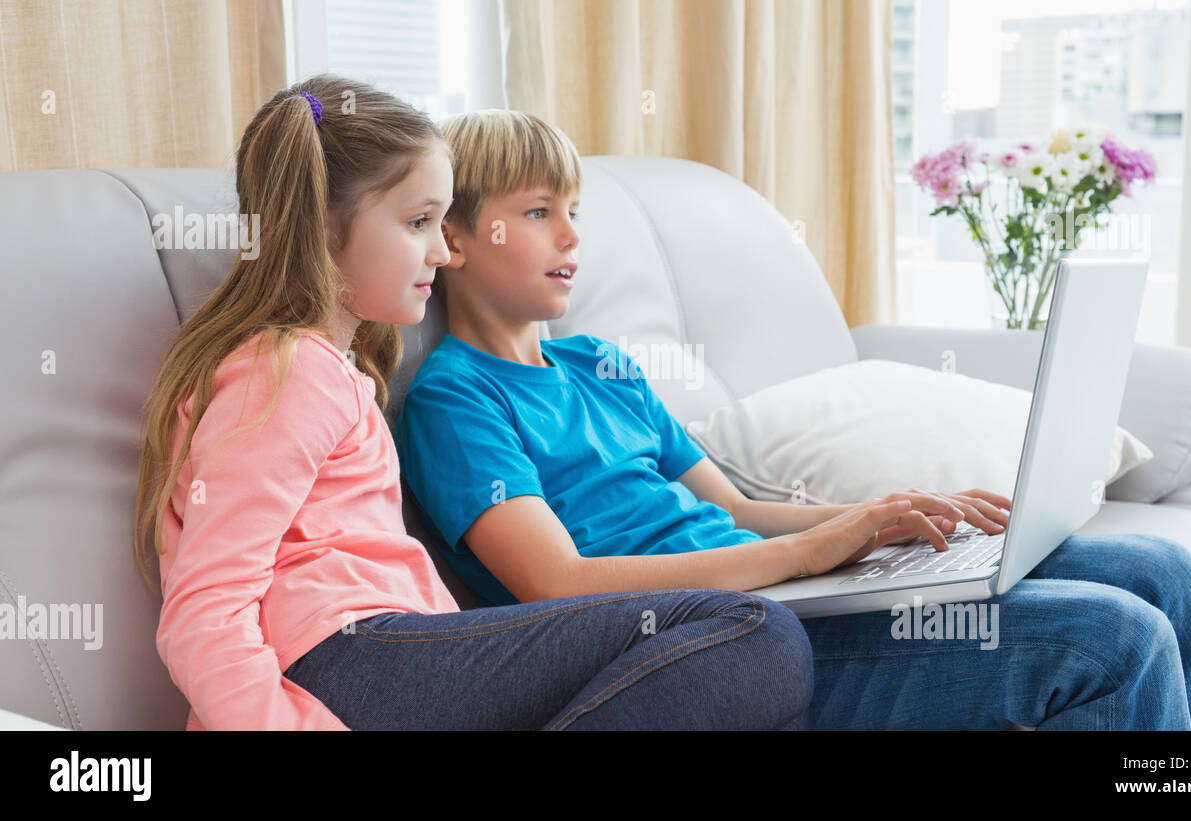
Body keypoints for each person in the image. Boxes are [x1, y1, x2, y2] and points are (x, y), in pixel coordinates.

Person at [396, 108, 1191, 731]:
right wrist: (813, 553)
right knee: (1113, 640)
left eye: (575, 210)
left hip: (794, 585)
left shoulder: (605, 366)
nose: (571, 236)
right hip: (734, 636)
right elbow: (557, 583)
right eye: (539, 212)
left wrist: (879, 522)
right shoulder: (456, 397)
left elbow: (735, 510)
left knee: (1160, 568)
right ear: (455, 240)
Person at [132, 75, 818, 731]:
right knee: (754, 632)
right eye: (419, 221)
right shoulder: (282, 370)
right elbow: (206, 606)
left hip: (391, 650)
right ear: (323, 229)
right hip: (345, 657)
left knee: (766, 691)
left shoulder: (330, 370)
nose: (442, 248)